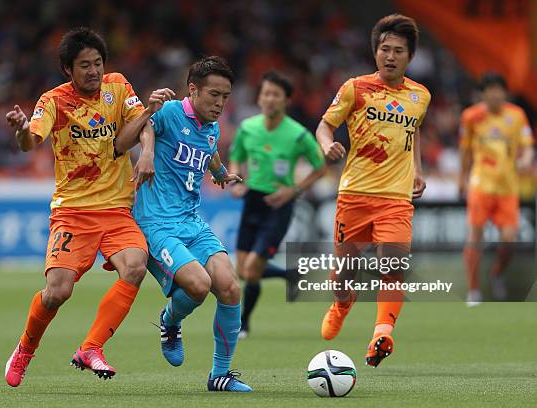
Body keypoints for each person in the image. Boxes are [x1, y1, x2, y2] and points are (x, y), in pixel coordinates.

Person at [3, 27, 174, 387]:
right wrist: (20, 129)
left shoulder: (118, 86)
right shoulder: (53, 101)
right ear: (68, 69)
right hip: (73, 211)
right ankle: (25, 348)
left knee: (135, 266)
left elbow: (142, 123)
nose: (93, 71)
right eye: (84, 65)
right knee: (57, 292)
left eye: (97, 63)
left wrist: (148, 155)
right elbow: (29, 142)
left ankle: (91, 347)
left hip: (116, 209)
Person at [126, 56, 252, 392]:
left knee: (229, 286)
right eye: (214, 94)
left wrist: (220, 173)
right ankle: (170, 321)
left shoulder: (211, 127)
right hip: (156, 223)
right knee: (198, 285)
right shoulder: (170, 112)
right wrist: (148, 154)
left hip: (192, 222)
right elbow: (145, 126)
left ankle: (220, 376)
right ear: (193, 89)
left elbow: (208, 150)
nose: (220, 103)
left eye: (225, 96)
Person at [315, 14, 431, 367]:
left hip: (395, 200)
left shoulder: (420, 96)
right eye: (385, 49)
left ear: (409, 57)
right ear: (375, 52)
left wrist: (417, 170)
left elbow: (414, 131)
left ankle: (382, 333)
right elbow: (325, 125)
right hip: (353, 196)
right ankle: (342, 302)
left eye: (398, 51)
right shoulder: (355, 88)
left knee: (393, 265)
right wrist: (326, 146)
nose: (390, 56)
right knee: (343, 275)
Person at [228, 70, 326, 339]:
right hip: (252, 201)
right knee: (242, 270)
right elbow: (236, 155)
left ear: (286, 101)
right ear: (260, 98)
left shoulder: (298, 135)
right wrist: (236, 180)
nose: (269, 99)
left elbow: (320, 167)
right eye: (265, 93)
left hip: (278, 206)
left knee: (250, 270)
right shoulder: (248, 128)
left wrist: (293, 191)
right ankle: (290, 275)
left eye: (276, 95)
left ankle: (243, 324)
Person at [459, 72, 534, 306]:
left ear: (505, 92)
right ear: (482, 94)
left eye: (499, 89)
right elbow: (465, 151)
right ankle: (474, 292)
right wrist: (462, 179)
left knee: (509, 241)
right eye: (490, 90)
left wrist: (525, 160)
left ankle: (497, 273)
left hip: (508, 188)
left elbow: (528, 146)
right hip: (481, 184)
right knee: (475, 237)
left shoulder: (516, 115)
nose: (495, 94)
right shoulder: (471, 116)